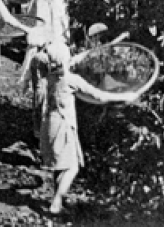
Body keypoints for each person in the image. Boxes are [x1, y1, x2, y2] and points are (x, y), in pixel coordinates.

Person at [39, 40, 137, 214]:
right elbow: (97, 95)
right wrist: (126, 95)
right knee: (73, 167)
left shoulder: (51, 75)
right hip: (63, 126)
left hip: (49, 124)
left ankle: (57, 198)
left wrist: (94, 51)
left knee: (60, 164)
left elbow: (74, 60)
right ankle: (56, 202)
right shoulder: (71, 79)